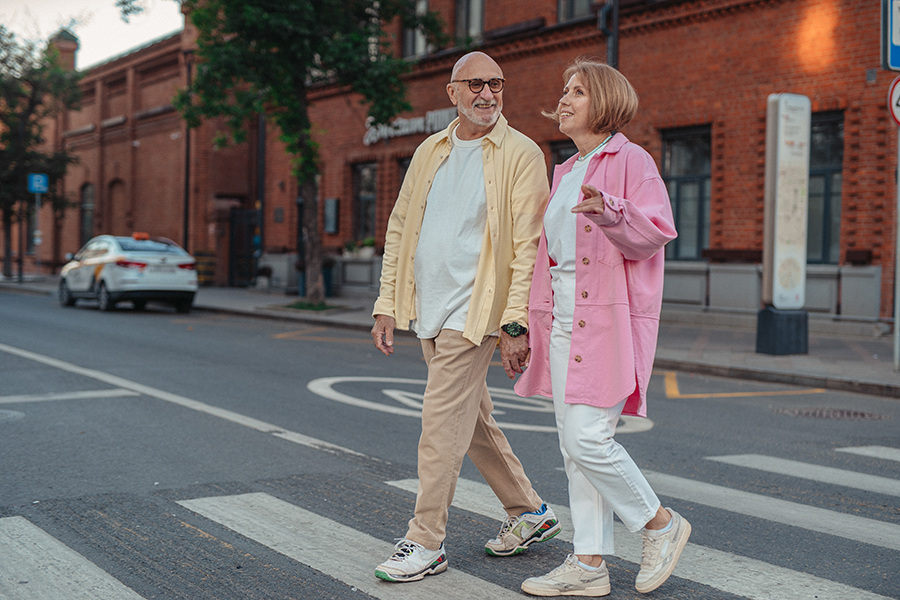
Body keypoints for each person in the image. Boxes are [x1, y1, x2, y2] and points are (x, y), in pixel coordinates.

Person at [370, 51, 558, 583]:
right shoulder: (430, 150)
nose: (487, 94)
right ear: (452, 92)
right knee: (469, 421)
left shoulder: (520, 153)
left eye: (496, 84)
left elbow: (529, 244)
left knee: (439, 424)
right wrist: (387, 303)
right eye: (475, 84)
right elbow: (400, 226)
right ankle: (530, 512)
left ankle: (426, 540)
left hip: (475, 311)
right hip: (429, 307)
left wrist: (515, 323)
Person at [514, 58, 688, 597]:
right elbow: (548, 259)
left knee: (588, 438)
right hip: (562, 320)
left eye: (577, 92)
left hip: (607, 320)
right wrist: (525, 323)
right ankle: (588, 563)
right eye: (564, 90)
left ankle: (659, 523)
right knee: (573, 448)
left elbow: (655, 233)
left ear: (605, 102)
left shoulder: (632, 160)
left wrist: (610, 210)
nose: (564, 99)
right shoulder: (566, 170)